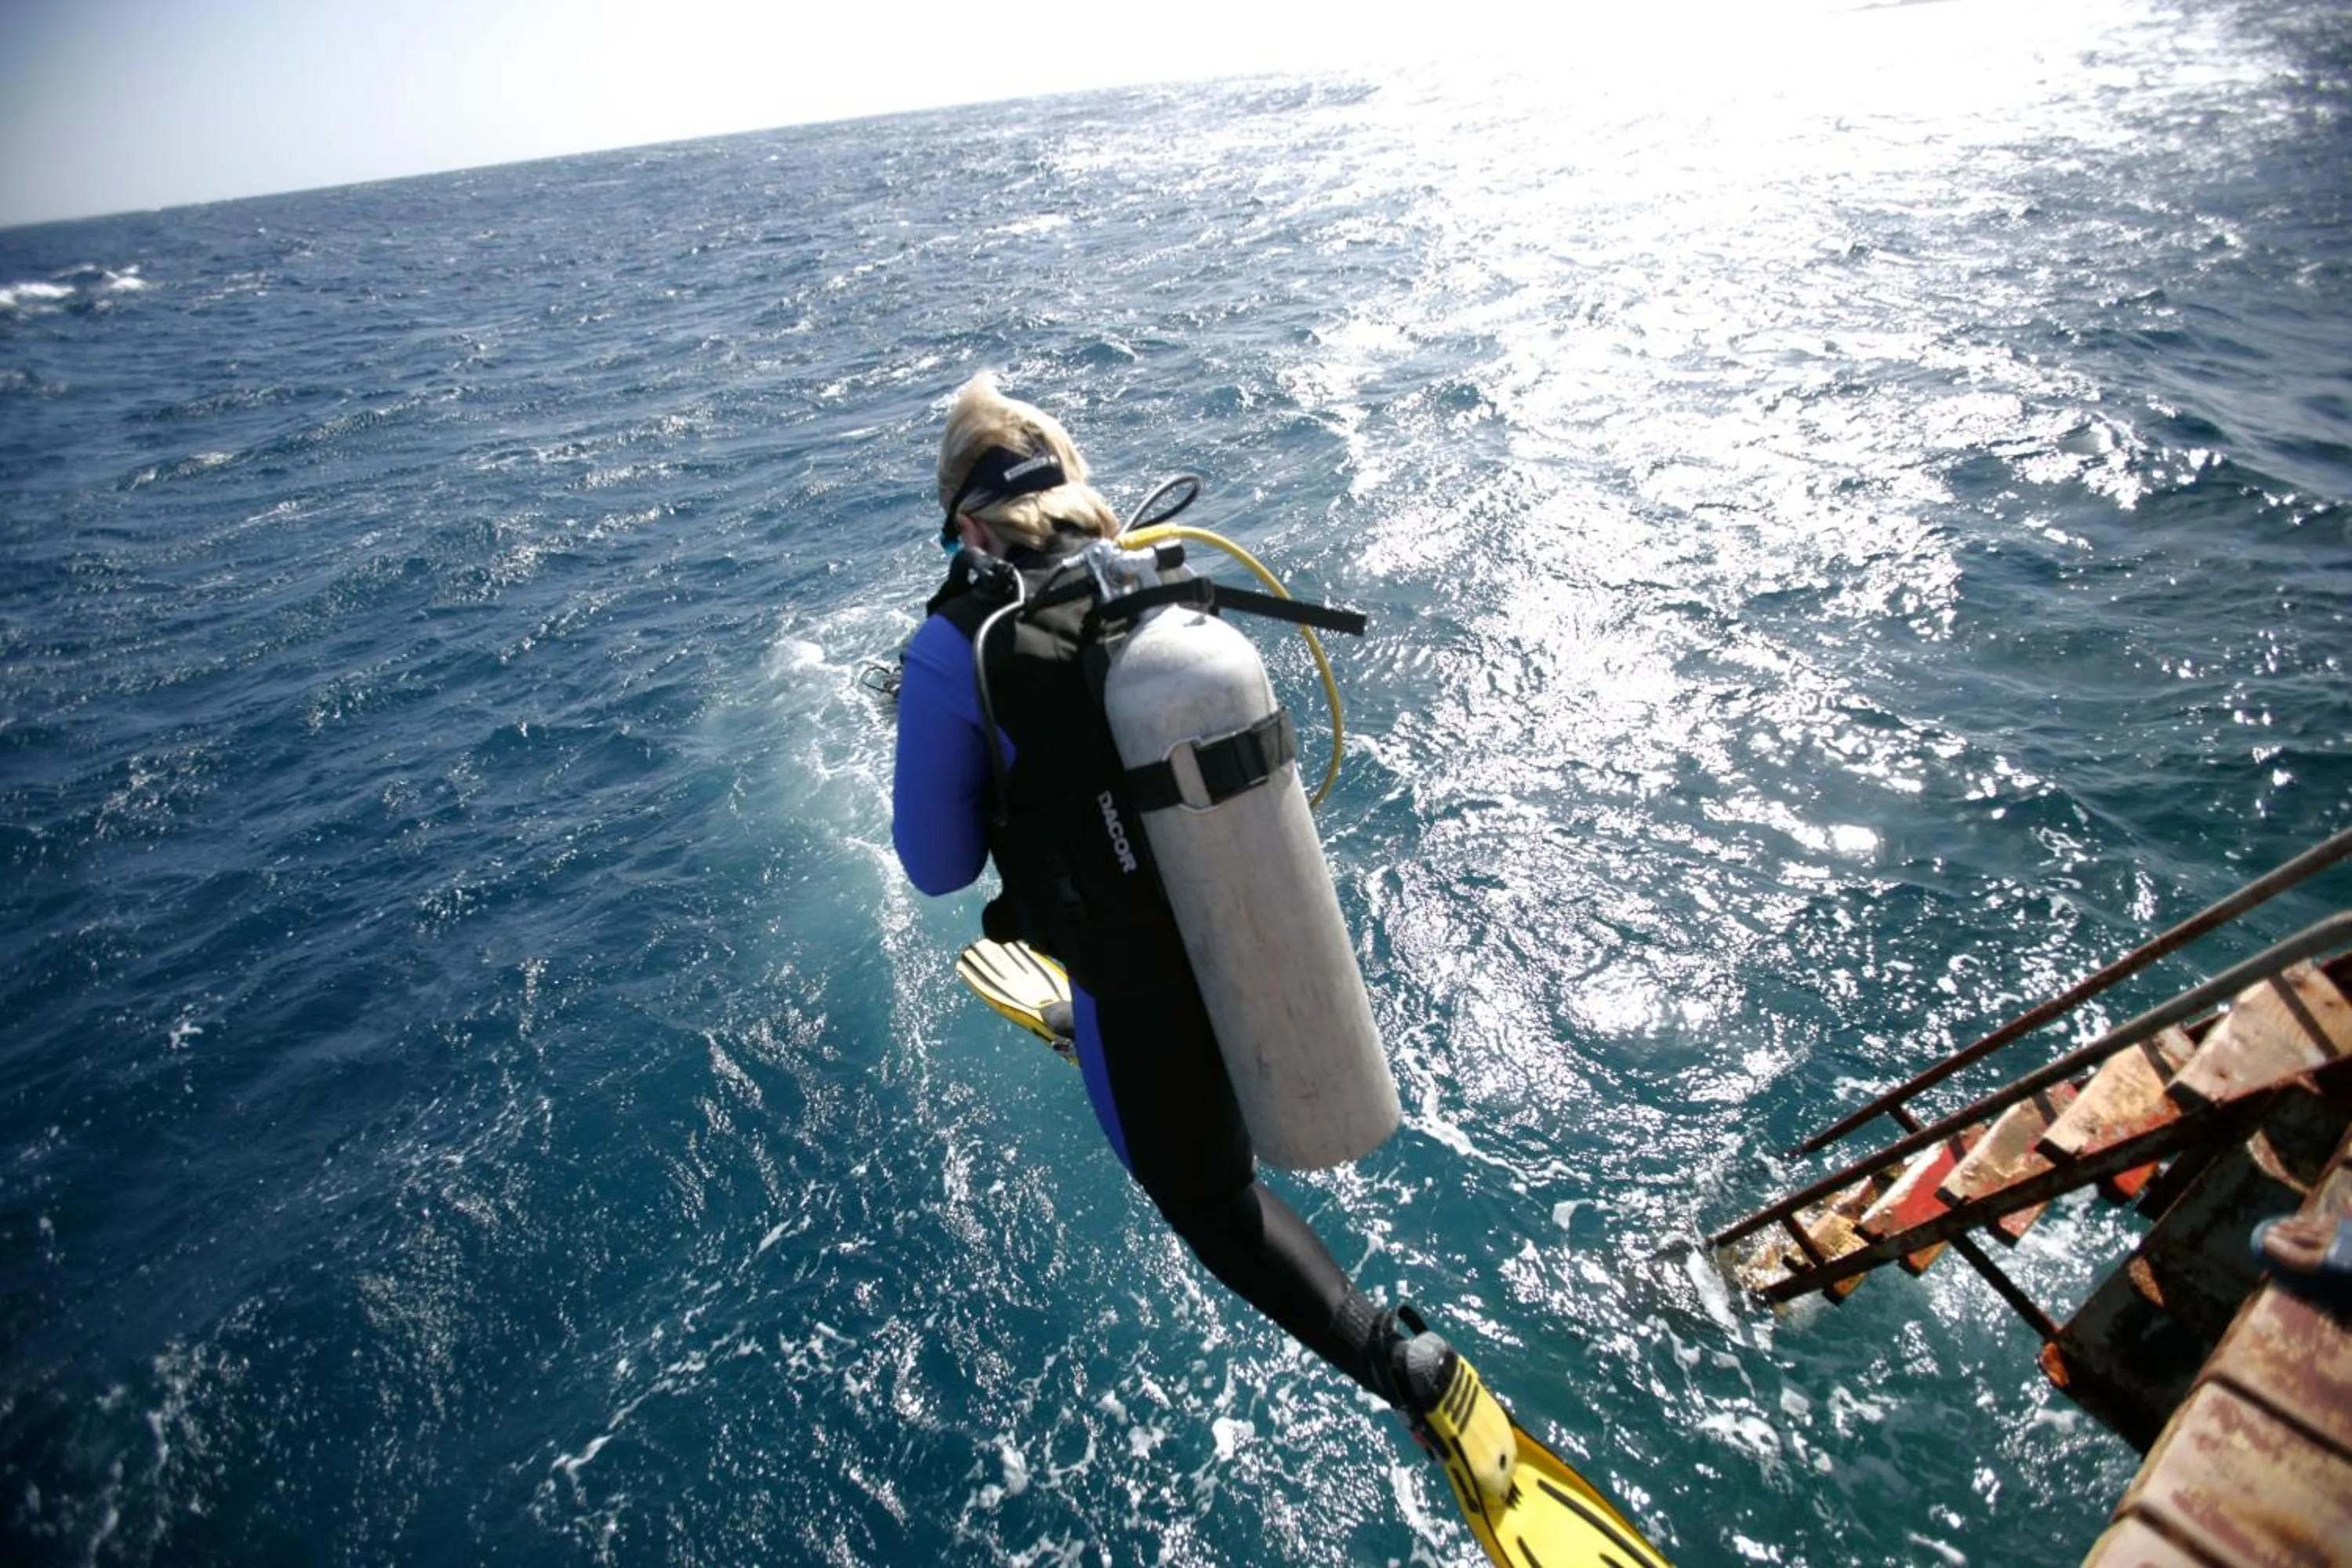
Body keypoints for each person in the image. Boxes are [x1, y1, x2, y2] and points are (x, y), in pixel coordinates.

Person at [890, 371, 1450, 1418]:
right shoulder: (1145, 578)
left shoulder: (954, 644)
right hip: (1251, 912)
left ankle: (1400, 1365)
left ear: (968, 523)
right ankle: (1099, 1029)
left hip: (1137, 985)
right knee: (1197, 1106)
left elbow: (936, 866)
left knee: (1209, 1203)